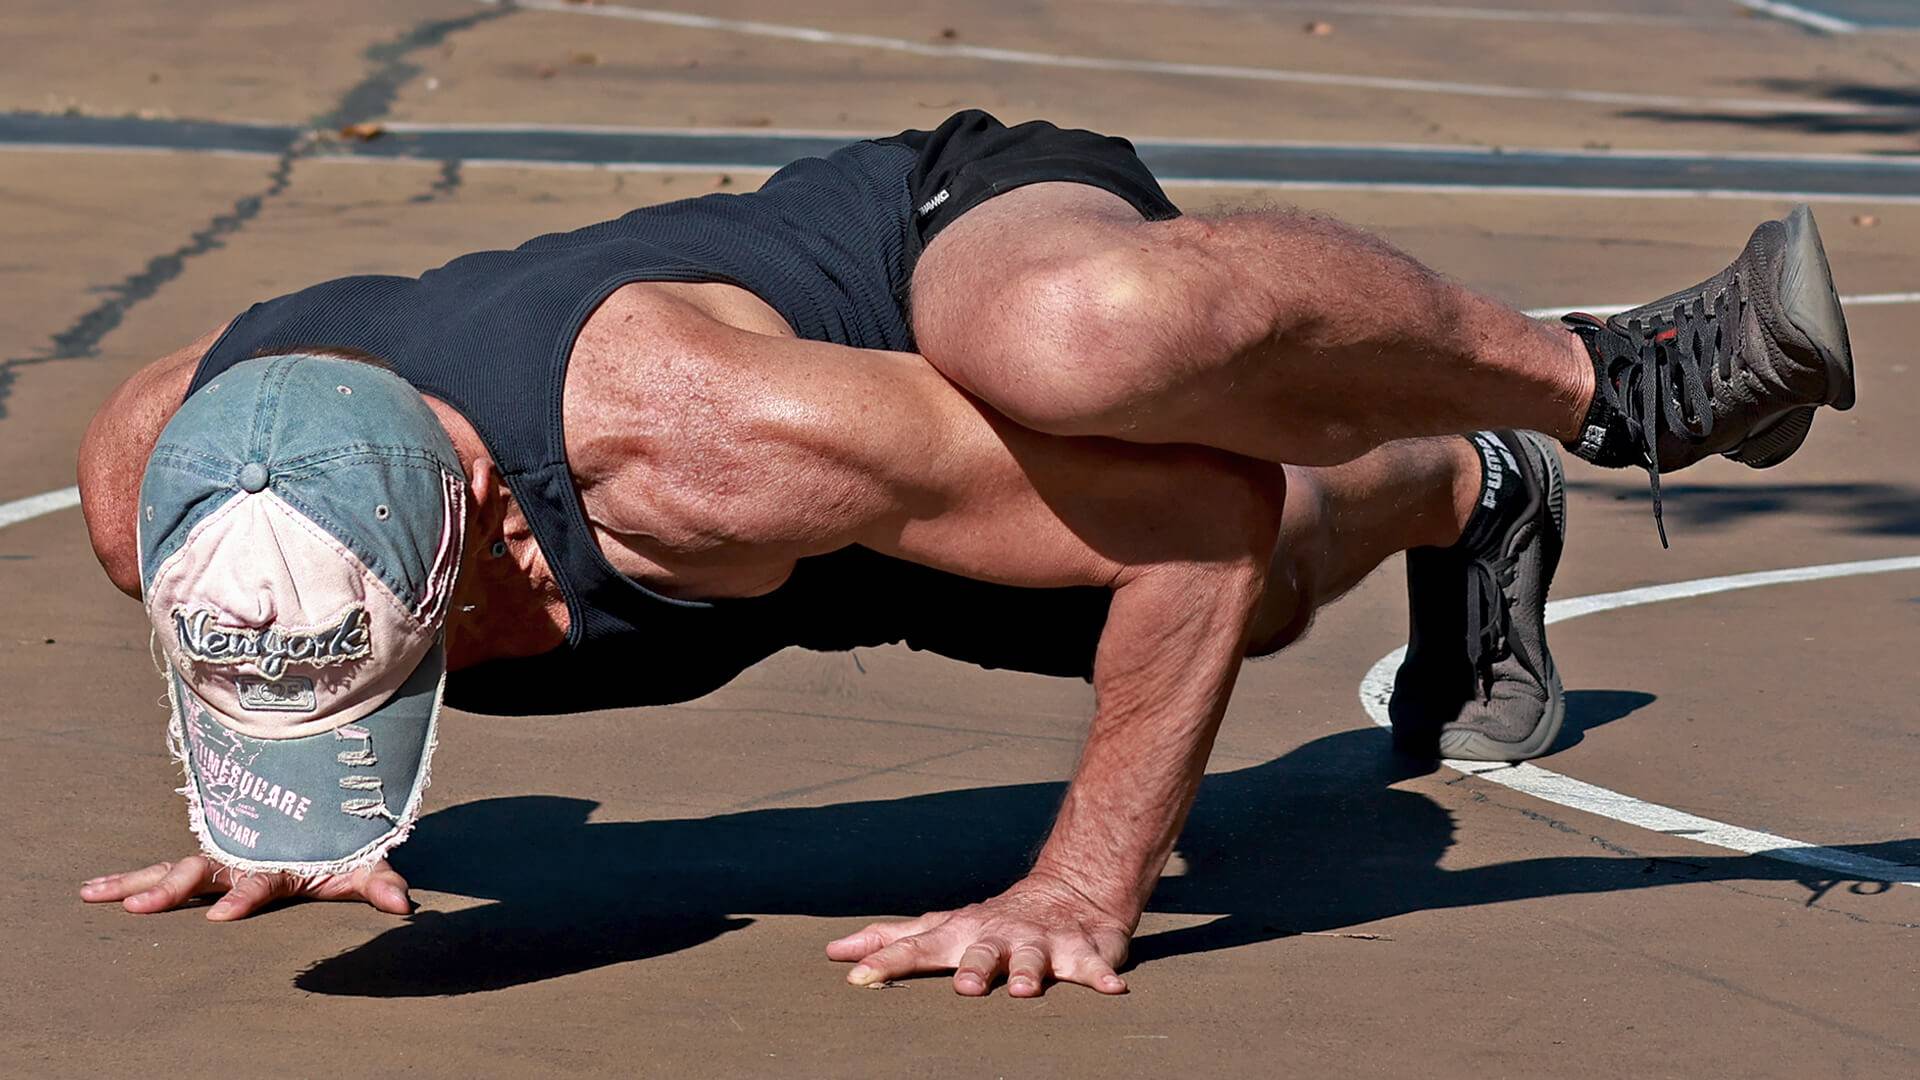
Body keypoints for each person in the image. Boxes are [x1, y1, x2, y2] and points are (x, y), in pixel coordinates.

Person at [73, 111, 1855, 998]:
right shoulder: (167, 495)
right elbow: (285, 601)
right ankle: (1465, 485)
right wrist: (290, 795)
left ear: (477, 517)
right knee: (1216, 587)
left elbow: (1201, 531)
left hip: (917, 264)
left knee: (1094, 358)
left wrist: (1080, 888)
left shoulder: (697, 446)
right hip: (830, 511)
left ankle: (1580, 395)